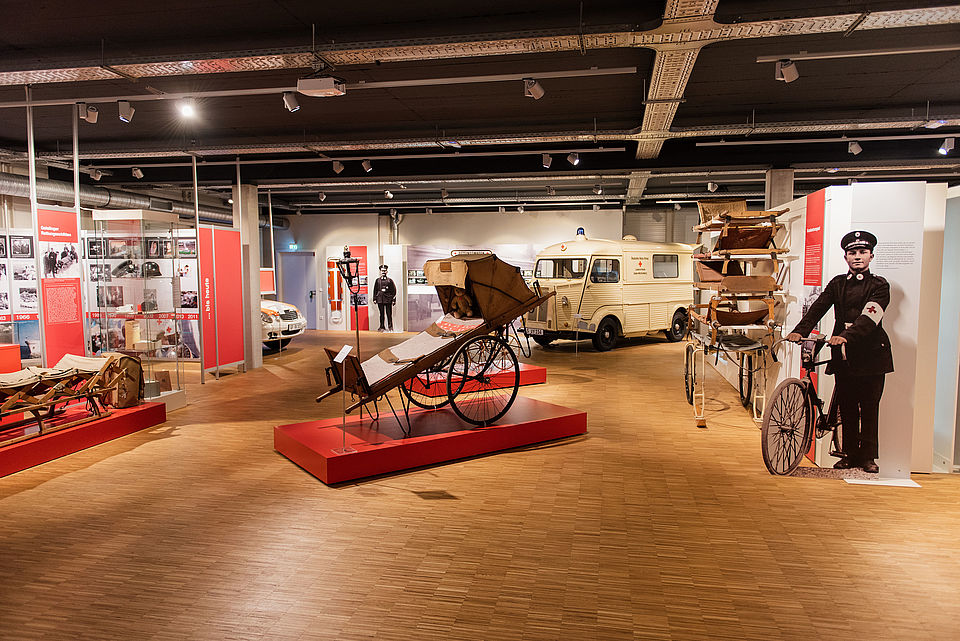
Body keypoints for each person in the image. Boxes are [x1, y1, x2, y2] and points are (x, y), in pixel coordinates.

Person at [786, 230, 894, 474]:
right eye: (852, 253)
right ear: (846, 257)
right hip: (844, 355)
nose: (858, 257)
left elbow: (870, 317)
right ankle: (849, 454)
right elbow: (818, 308)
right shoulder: (837, 283)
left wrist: (846, 335)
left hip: (872, 355)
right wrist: (800, 331)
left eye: (863, 252)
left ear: (871, 256)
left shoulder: (879, 285)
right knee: (847, 405)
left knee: (869, 407)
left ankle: (868, 457)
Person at [373, 264, 397, 331]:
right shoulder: (377, 280)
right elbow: (375, 290)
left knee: (389, 314)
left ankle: (390, 327)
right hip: (380, 299)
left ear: (387, 271)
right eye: (382, 271)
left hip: (388, 299)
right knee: (381, 314)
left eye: (384, 271)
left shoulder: (390, 280)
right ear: (380, 271)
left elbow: (394, 290)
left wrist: (393, 300)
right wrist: (374, 298)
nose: (383, 272)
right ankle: (382, 327)